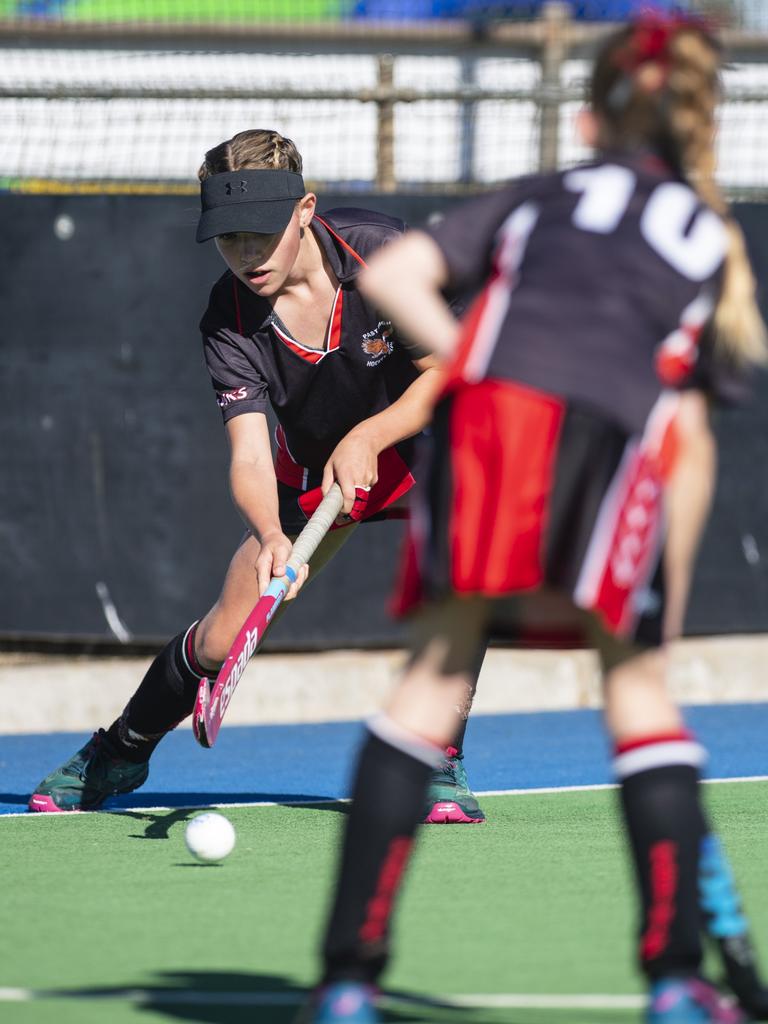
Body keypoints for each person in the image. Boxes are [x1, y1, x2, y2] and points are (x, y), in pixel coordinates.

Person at [305, 15, 768, 1024]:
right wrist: (666, 604)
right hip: (610, 431)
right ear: (703, 120)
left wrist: (482, 359)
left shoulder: (543, 195)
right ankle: (673, 981)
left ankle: (346, 982)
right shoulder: (707, 234)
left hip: (487, 431)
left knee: (424, 691)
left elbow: (387, 275)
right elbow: (684, 430)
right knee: (638, 696)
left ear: (593, 111)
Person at [28, 129, 486, 825]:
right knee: (220, 638)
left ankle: (438, 758)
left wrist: (372, 434)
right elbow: (247, 452)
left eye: (260, 234)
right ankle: (121, 748)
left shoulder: (382, 253)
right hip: (312, 467)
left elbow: (449, 372)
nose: (245, 255)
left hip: (424, 442)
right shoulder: (230, 318)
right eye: (227, 238)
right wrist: (270, 531)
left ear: (304, 210)